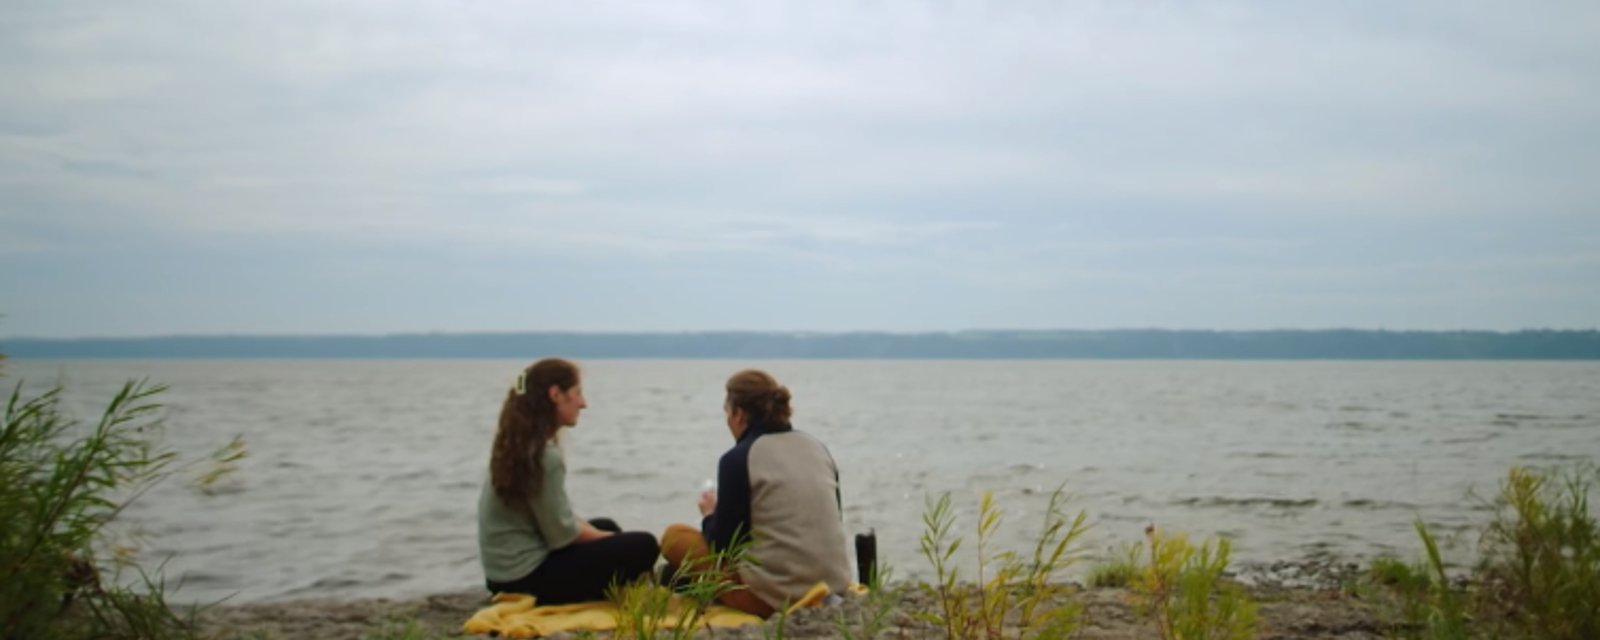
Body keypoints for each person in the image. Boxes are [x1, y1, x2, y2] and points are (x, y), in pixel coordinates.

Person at [660, 369, 852, 617]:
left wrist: (710, 514)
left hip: (775, 598)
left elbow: (723, 545)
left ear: (739, 414)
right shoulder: (817, 448)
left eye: (727, 413)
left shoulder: (738, 458)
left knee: (674, 537)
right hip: (832, 586)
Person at [477, 358, 659, 604]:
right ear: (556, 394)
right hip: (525, 579)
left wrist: (604, 534)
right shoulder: (544, 455)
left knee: (607, 525)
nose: (583, 403)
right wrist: (611, 539)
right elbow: (562, 534)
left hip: (501, 577)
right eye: (577, 393)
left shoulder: (520, 445)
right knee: (644, 545)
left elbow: (556, 519)